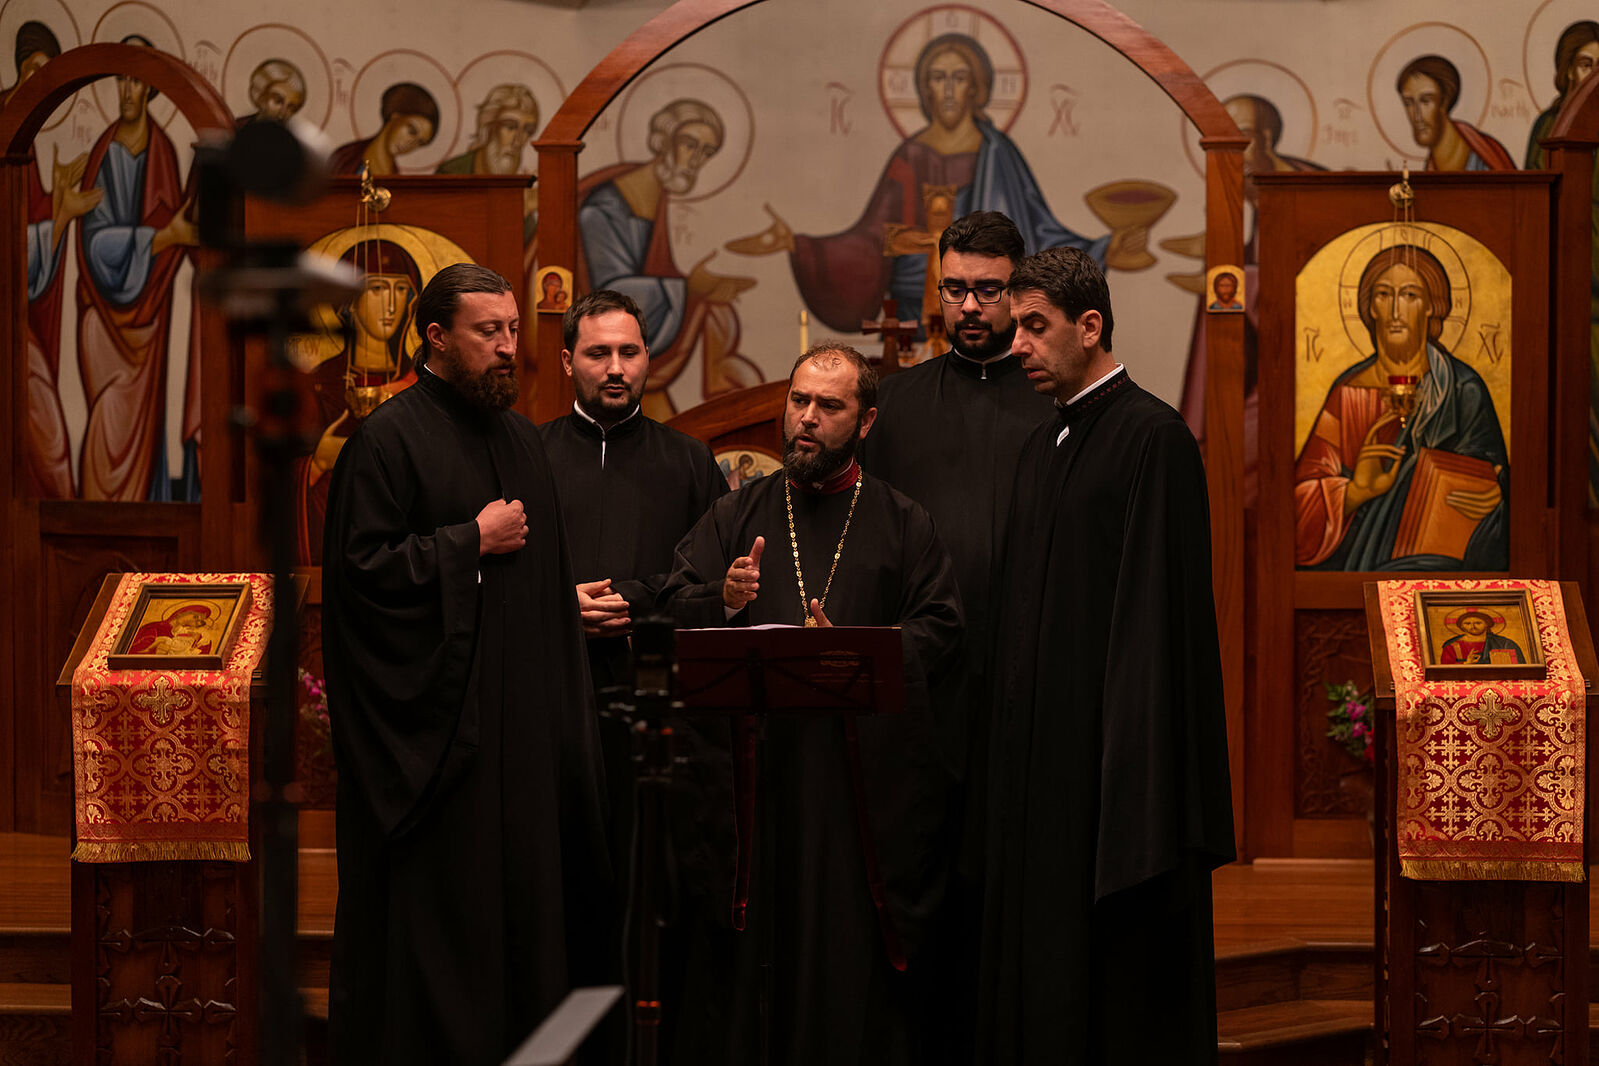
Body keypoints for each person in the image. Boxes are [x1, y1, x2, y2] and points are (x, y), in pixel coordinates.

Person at [322, 263, 610, 1066]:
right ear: (436, 336)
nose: (508, 347)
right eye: (489, 332)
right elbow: (359, 579)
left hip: (525, 743)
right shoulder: (385, 441)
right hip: (441, 754)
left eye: (514, 330)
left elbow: (537, 575)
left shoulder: (520, 438)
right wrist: (465, 543)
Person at [660, 344, 963, 1065]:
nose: (806, 419)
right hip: (753, 787)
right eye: (799, 401)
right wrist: (722, 600)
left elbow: (941, 628)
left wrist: (859, 649)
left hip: (851, 794)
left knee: (839, 955)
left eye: (829, 407)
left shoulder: (901, 520)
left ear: (864, 422)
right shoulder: (737, 513)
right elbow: (672, 603)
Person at [979, 246, 1234, 1064]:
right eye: (1014, 327)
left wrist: (1130, 777)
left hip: (1111, 775)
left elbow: (1157, 626)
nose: (1014, 344)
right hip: (1042, 768)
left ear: (1088, 326)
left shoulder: (1151, 436)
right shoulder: (1043, 443)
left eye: (1033, 326)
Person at [853, 209, 1053, 1064]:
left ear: (1019, 292)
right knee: (919, 875)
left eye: (990, 290)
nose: (970, 306)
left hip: (1024, 683)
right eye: (956, 289)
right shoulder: (892, 405)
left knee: (1010, 877)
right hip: (921, 690)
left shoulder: (1055, 401)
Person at [727, 33, 1142, 335]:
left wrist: (1102, 248)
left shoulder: (999, 153)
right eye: (937, 78)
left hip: (990, 308)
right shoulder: (910, 156)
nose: (947, 89)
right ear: (924, 88)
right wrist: (801, 246)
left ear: (975, 87)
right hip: (914, 309)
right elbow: (872, 237)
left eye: (957, 78)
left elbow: (1037, 230)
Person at [536, 288, 727, 881]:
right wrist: (561, 604)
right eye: (598, 354)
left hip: (655, 697)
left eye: (629, 352)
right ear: (568, 361)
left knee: (652, 870)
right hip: (554, 694)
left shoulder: (691, 462)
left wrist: (632, 599)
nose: (616, 369)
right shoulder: (528, 454)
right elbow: (497, 571)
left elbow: (713, 582)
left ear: (649, 358)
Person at [1293, 245, 1508, 570]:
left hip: (1447, 578)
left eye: (1410, 295)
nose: (1395, 310)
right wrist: (1355, 492)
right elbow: (1300, 500)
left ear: (1431, 307)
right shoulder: (1347, 392)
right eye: (1383, 294)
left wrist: (1497, 499)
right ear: (1370, 307)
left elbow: (1499, 477)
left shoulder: (1463, 389)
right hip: (1354, 578)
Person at [577, 97, 760, 415]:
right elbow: (608, 298)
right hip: (606, 345)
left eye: (706, 152)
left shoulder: (654, 199)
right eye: (690, 144)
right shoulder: (604, 208)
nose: (696, 160)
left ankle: (722, 386)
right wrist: (688, 288)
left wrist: (700, 289)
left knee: (717, 309)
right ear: (663, 140)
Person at [76, 34, 200, 501]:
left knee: (143, 427)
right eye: (121, 80)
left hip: (151, 314)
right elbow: (93, 244)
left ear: (150, 90)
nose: (128, 91)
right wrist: (163, 237)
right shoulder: (103, 151)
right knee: (106, 417)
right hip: (101, 313)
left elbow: (179, 227)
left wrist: (170, 239)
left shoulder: (163, 151)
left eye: (136, 81)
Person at [297, 240, 422, 564]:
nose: (391, 304)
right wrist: (317, 464)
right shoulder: (321, 382)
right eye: (377, 288)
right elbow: (275, 480)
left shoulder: (424, 384)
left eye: (400, 290)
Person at [13, 20, 92, 498]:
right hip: (11, 326)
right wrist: (59, 216)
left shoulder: (23, 142)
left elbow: (27, 252)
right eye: (35, 71)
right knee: (50, 439)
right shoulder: (8, 136)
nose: (39, 85)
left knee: (49, 441)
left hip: (15, 318)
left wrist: (60, 214)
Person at [1397, 55, 1513, 172]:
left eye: (1426, 101)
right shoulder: (1432, 166)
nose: (1417, 116)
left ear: (1444, 101)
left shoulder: (1487, 158)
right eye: (1408, 103)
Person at [329, 81, 440, 175]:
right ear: (395, 116)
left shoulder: (394, 174)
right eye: (412, 131)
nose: (411, 144)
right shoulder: (346, 157)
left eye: (419, 142)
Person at [437, 83, 538, 175]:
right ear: (491, 127)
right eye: (510, 127)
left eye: (527, 130)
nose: (517, 141)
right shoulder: (451, 172)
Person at [236, 58, 305, 127]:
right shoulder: (239, 128)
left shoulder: (291, 135)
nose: (282, 113)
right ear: (262, 98)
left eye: (290, 107)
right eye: (278, 101)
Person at [1439, 610, 1526, 665]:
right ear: (1461, 626)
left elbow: (1519, 667)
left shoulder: (1504, 643)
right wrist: (1465, 664)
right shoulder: (1452, 646)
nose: (1472, 626)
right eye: (1467, 623)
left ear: (1487, 624)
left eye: (1478, 623)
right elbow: (1444, 669)